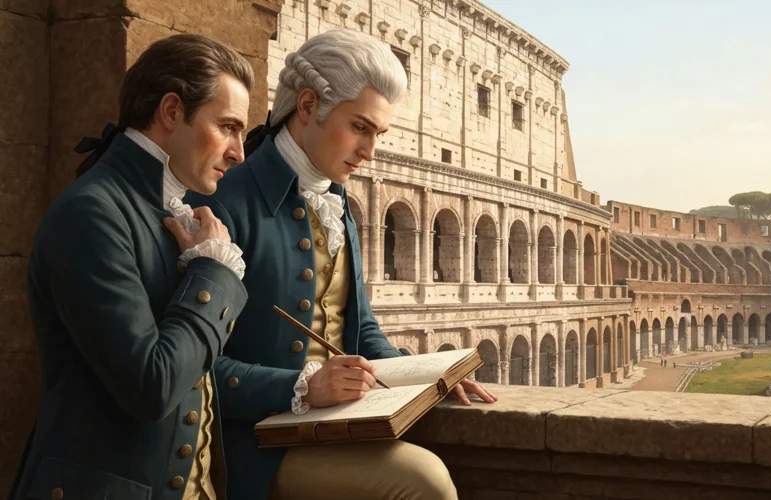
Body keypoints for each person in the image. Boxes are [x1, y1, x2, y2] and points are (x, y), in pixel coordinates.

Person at [186, 29, 497, 500]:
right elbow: (194, 370)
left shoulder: (337, 201)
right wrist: (303, 387)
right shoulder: (224, 202)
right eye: (360, 128)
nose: (370, 151)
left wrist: (428, 376)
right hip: (257, 445)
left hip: (336, 427)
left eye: (378, 133)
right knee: (424, 482)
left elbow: (362, 328)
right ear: (308, 106)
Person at [9, 34, 252, 500]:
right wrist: (212, 276)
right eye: (227, 127)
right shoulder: (92, 213)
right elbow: (152, 387)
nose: (239, 151)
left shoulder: (167, 211)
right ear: (171, 111)